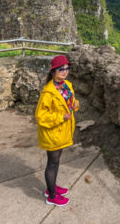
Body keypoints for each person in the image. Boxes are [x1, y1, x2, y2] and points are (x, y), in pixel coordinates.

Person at [35, 55, 80, 206]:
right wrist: (61, 117)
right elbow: (40, 116)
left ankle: (51, 186)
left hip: (62, 131)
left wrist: (75, 105)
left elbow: (71, 101)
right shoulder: (48, 92)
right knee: (52, 163)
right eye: (61, 69)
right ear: (53, 70)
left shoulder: (66, 85)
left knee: (56, 160)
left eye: (67, 68)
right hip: (52, 133)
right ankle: (52, 196)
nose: (65, 72)